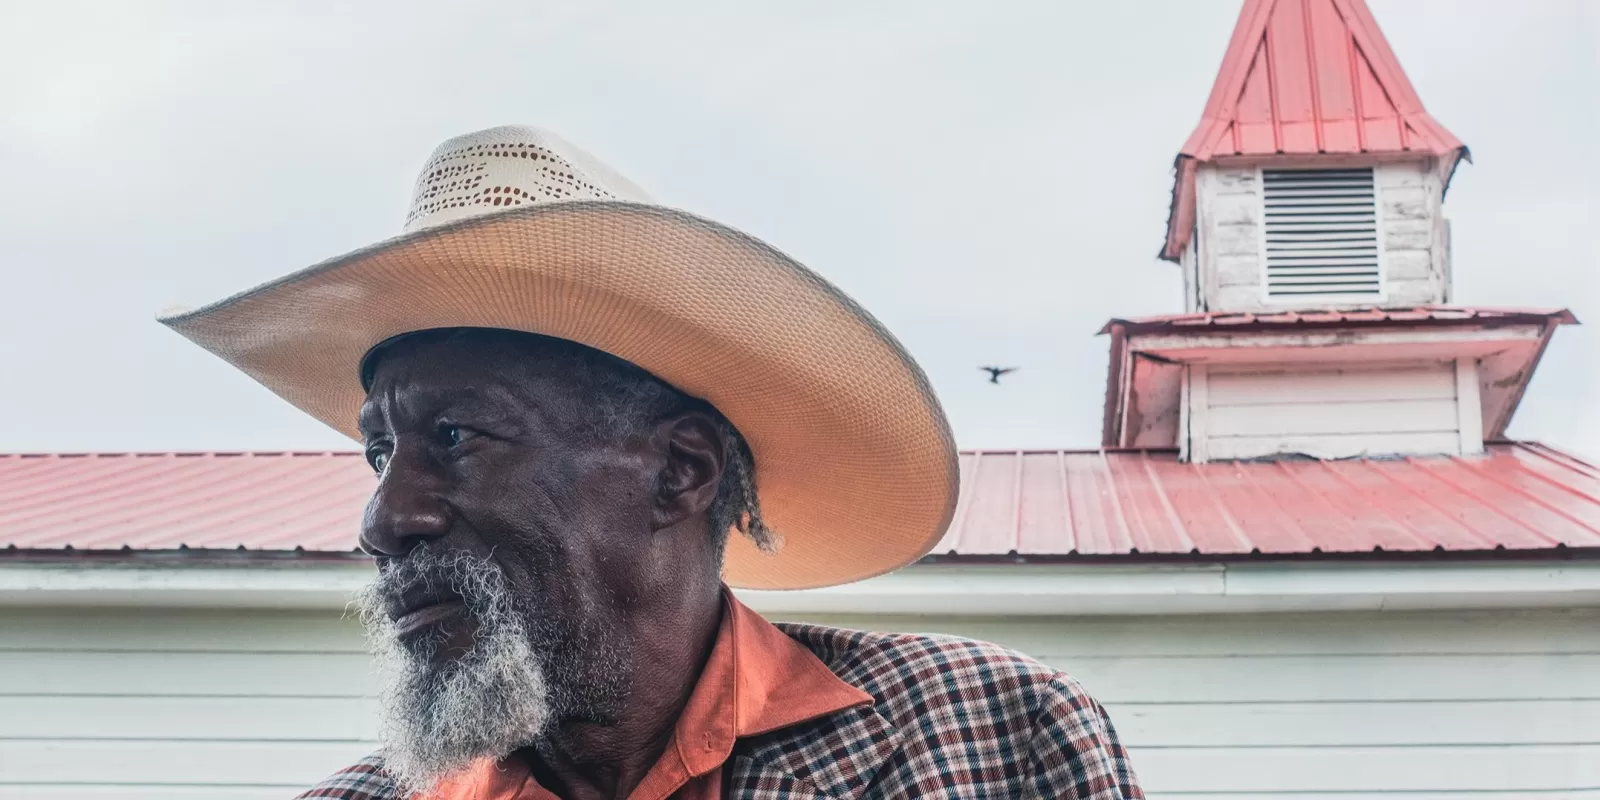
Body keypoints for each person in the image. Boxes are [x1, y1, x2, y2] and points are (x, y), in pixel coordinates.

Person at [161, 126, 1142, 799]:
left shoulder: (987, 732)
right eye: (380, 450)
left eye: (456, 437)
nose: (384, 519)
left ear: (682, 470)